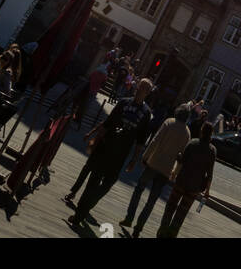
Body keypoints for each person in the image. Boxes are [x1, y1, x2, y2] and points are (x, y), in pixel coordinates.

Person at [66, 78, 154, 229]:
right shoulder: (123, 103)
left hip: (120, 155)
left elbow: (141, 140)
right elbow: (107, 123)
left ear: (147, 93)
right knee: (93, 180)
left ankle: (87, 205)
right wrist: (95, 139)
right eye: (140, 87)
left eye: (144, 89)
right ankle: (79, 214)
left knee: (107, 184)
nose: (140, 90)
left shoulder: (146, 114)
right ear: (136, 87)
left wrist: (134, 160)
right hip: (105, 147)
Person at [120, 102, 191, 238]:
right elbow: (182, 157)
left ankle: (129, 217)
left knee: (139, 189)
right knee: (151, 201)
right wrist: (175, 173)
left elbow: (155, 140)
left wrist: (145, 156)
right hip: (166, 170)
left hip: (153, 163)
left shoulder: (169, 122)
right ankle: (139, 227)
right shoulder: (187, 132)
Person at [157, 120, 215, 239]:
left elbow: (181, 161)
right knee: (181, 213)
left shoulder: (192, 143)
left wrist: (174, 174)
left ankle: (162, 232)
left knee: (170, 207)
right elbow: (210, 173)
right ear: (211, 134)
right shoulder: (212, 151)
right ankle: (171, 235)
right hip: (195, 187)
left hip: (181, 181)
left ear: (201, 131)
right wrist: (207, 191)